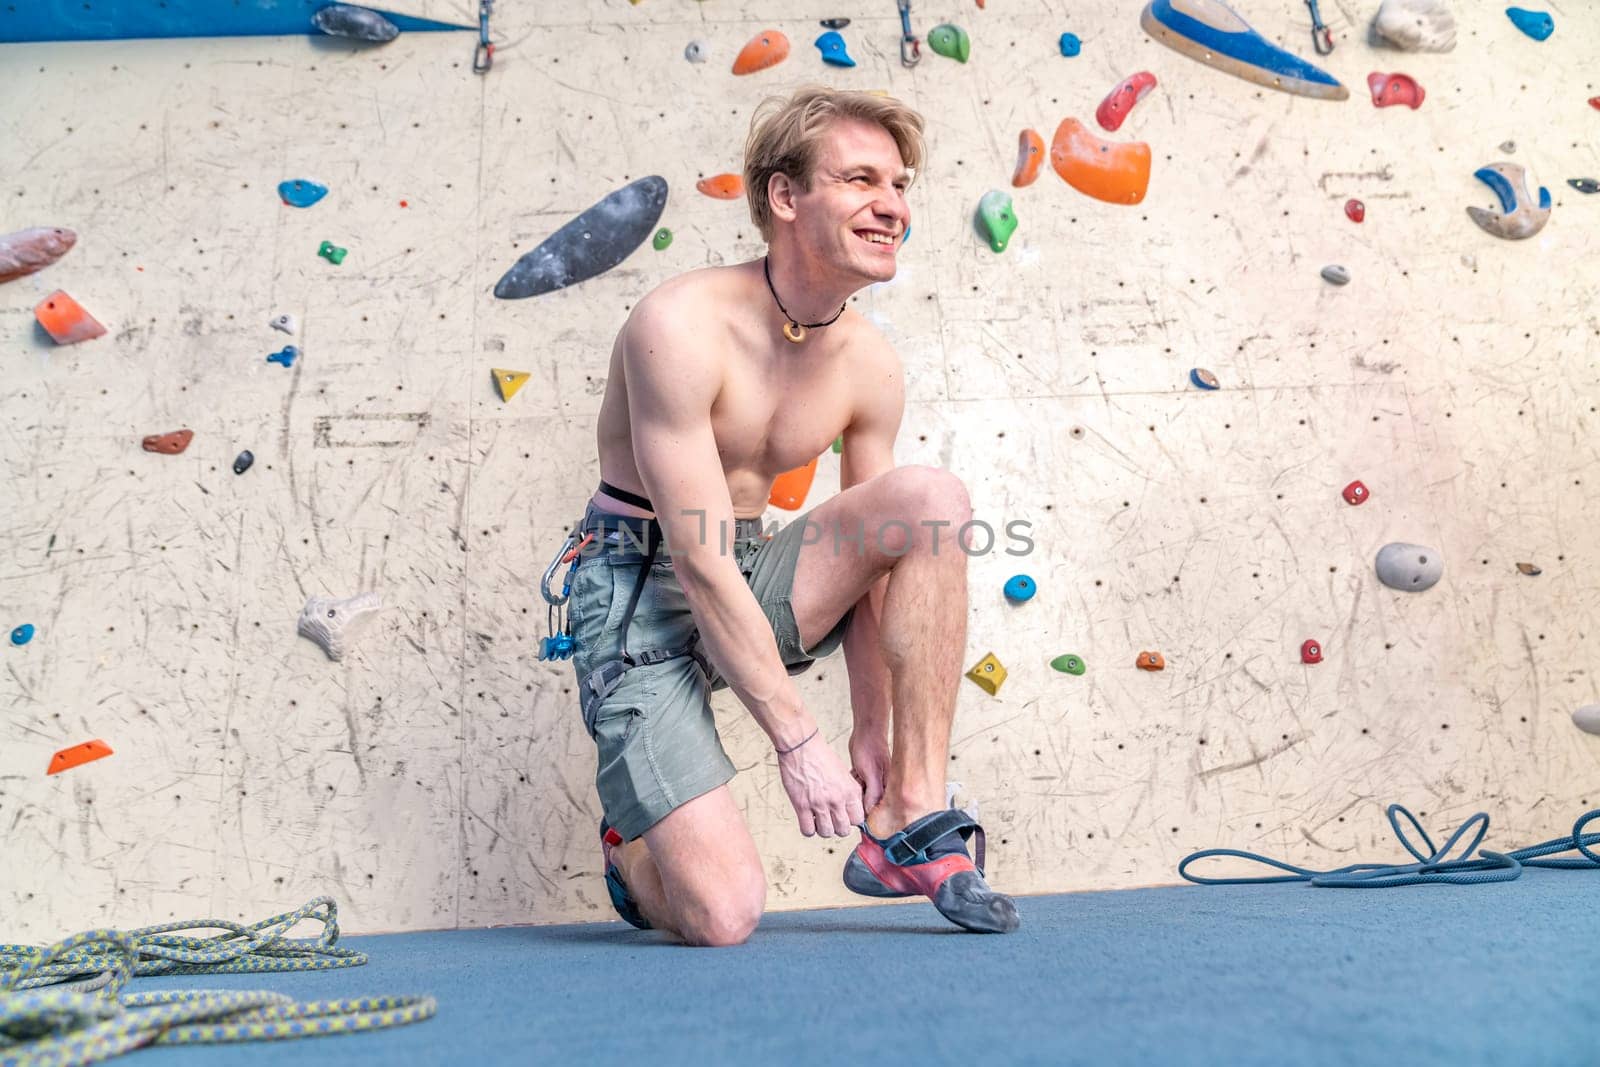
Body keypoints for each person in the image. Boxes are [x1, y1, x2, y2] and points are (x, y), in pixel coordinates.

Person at [561, 86, 1019, 946]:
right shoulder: (679, 324)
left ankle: (910, 816)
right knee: (723, 916)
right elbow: (696, 566)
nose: (893, 206)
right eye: (859, 179)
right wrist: (800, 740)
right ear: (784, 197)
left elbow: (882, 570)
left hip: (750, 562)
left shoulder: (870, 365)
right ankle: (631, 852)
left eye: (900, 183)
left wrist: (872, 736)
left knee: (929, 502)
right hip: (636, 587)